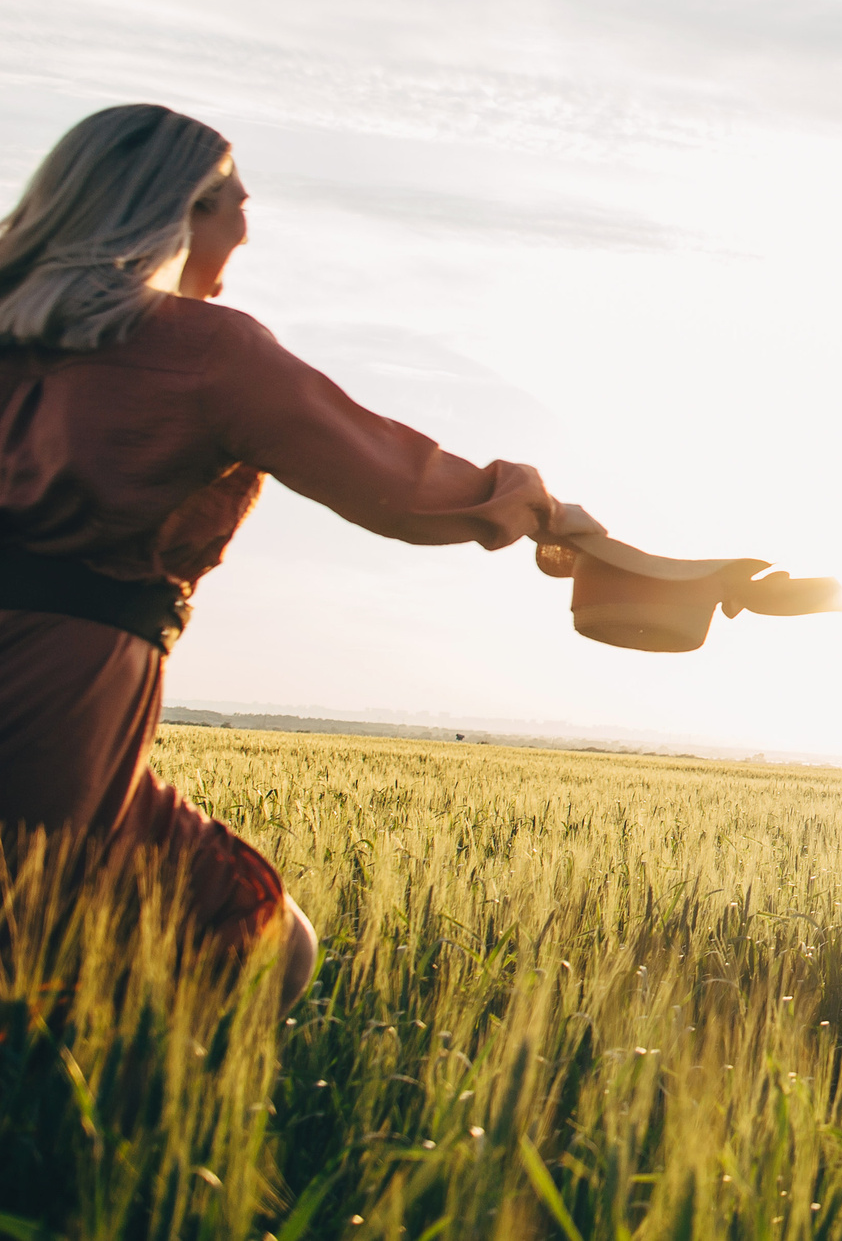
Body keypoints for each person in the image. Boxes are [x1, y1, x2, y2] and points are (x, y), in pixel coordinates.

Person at [0, 105, 606, 1003]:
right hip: (65, 690)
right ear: (180, 211)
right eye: (235, 202)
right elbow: (396, 479)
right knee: (203, 940)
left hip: (64, 690)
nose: (248, 224)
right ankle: (118, 1135)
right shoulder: (206, 350)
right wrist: (532, 506)